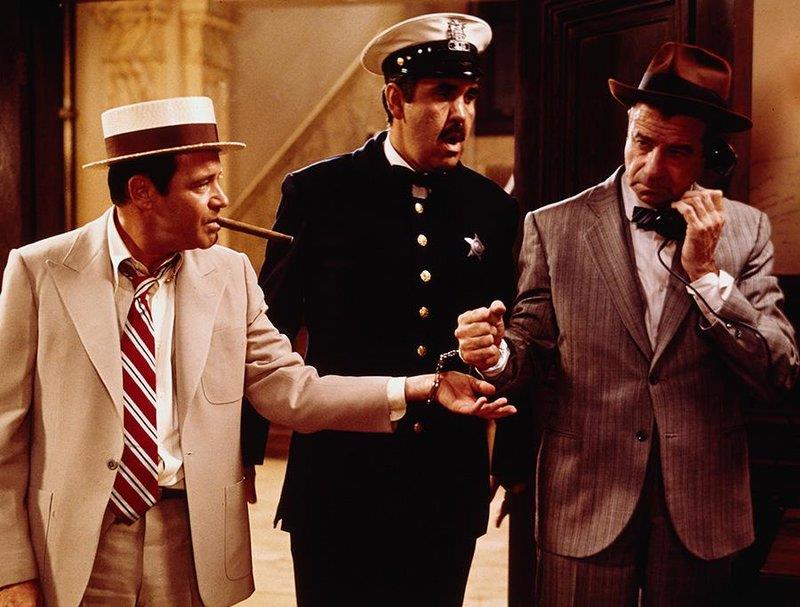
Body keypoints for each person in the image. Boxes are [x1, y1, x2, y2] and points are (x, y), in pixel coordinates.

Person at [0, 96, 515, 607]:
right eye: (201, 185)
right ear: (142, 192)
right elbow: (5, 438)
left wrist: (424, 386)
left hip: (190, 542)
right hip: (77, 547)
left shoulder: (230, 275)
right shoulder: (39, 272)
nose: (221, 199)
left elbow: (294, 390)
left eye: (217, 180)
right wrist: (11, 573)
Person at [456, 42, 799, 605]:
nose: (653, 167)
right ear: (628, 131)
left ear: (712, 156)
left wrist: (708, 277)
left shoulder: (747, 231)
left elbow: (777, 371)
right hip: (586, 499)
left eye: (678, 151)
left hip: (704, 509)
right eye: (643, 142)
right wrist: (495, 355)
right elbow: (529, 348)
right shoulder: (554, 228)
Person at [246, 13, 519, 607]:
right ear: (396, 100)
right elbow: (268, 327)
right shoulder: (319, 192)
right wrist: (244, 451)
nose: (461, 113)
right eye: (442, 94)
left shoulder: (494, 210)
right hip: (339, 478)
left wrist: (515, 458)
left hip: (445, 482)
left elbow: (515, 336)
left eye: (469, 95)